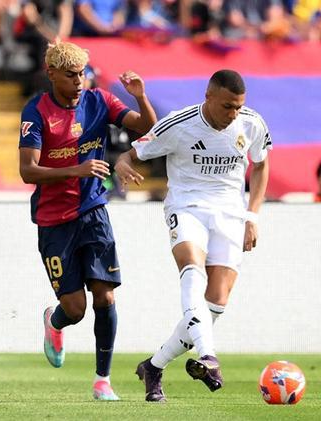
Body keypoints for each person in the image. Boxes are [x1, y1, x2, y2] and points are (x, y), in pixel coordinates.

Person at [114, 69, 271, 402]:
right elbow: (132, 153)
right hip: (187, 207)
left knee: (215, 304)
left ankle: (154, 366)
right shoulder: (178, 124)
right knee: (191, 269)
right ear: (208, 96)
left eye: (238, 106)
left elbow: (261, 164)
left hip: (230, 213)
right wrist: (122, 163)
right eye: (227, 106)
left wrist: (252, 216)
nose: (234, 114)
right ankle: (209, 356)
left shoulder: (252, 123)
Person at [18, 41, 156, 401]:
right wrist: (75, 169)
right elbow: (27, 170)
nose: (79, 81)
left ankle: (102, 380)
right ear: (52, 74)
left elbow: (146, 127)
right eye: (71, 75)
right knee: (75, 309)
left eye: (82, 74)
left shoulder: (100, 101)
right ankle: (54, 321)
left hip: (93, 209)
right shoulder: (36, 111)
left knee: (105, 296)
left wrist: (140, 97)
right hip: (53, 219)